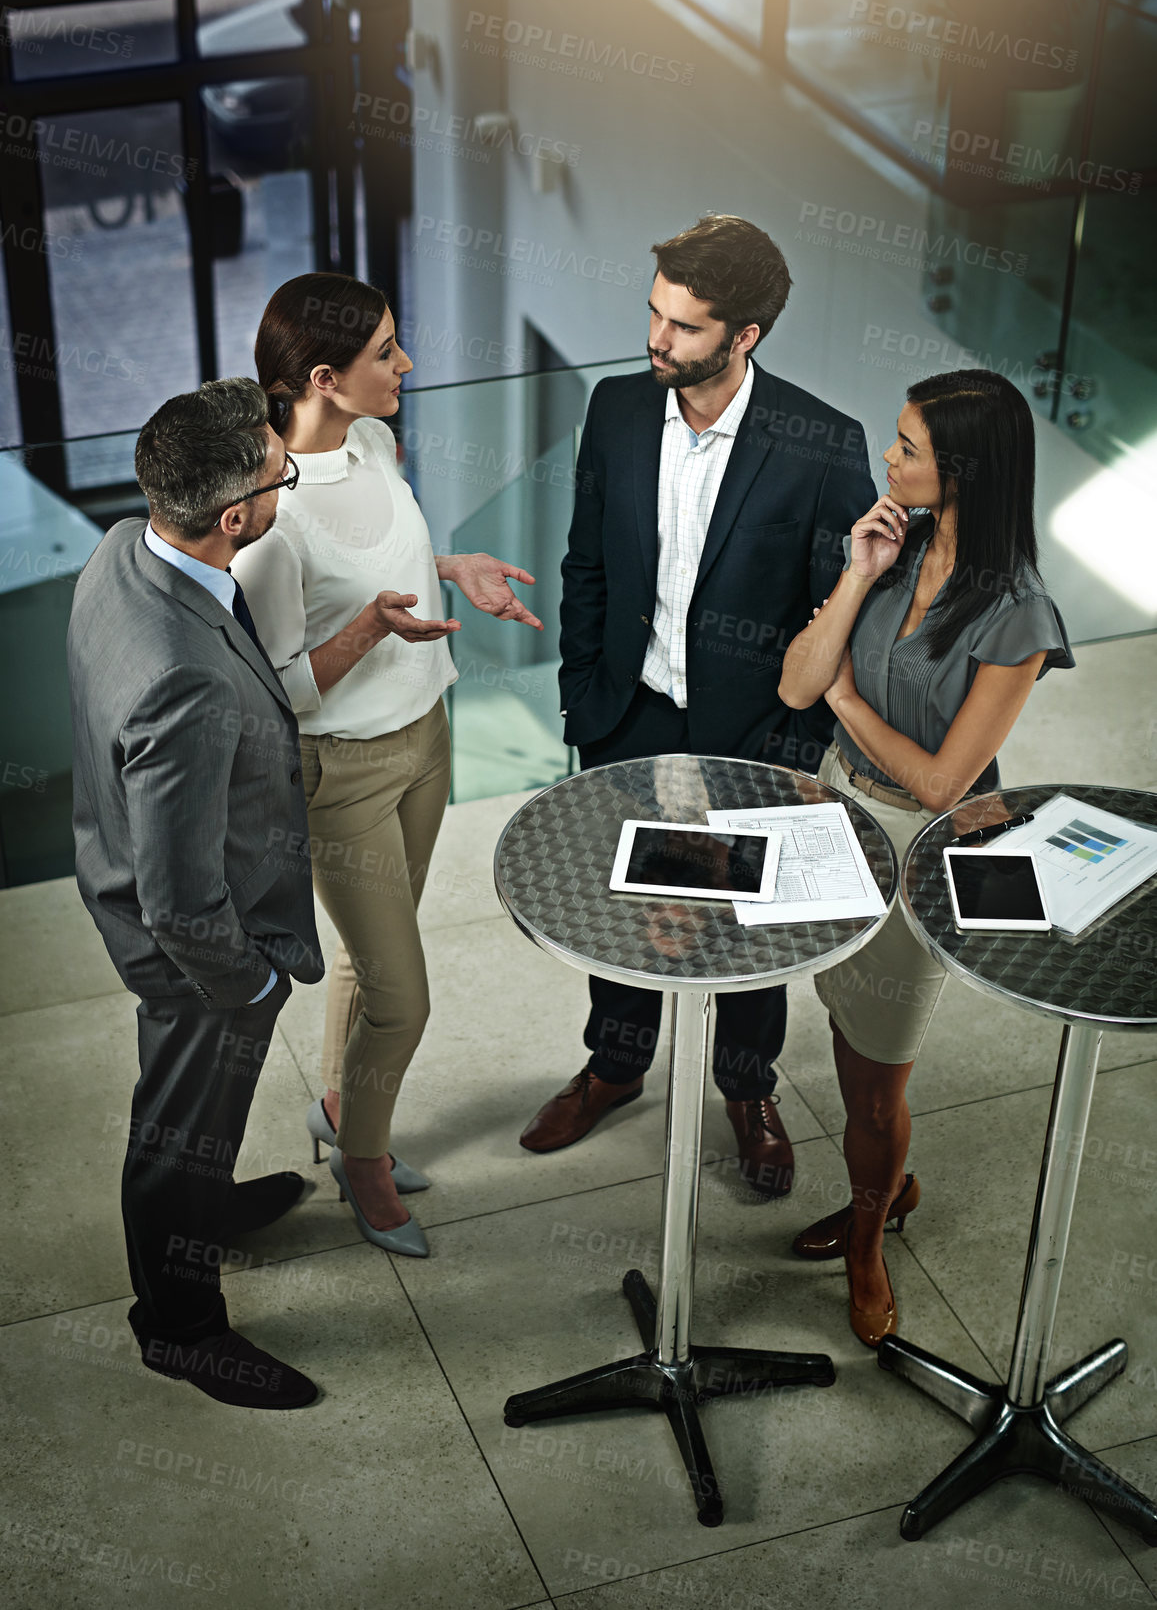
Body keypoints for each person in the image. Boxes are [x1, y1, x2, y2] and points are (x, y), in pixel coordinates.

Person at [519, 214, 876, 1194]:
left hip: (749, 739)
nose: (655, 339)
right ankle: (615, 1064)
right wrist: (581, 692)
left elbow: (835, 613)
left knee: (748, 927)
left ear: (743, 335)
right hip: (625, 717)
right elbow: (584, 561)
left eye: (682, 326)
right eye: (653, 314)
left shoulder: (821, 444)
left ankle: (746, 1085)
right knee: (624, 907)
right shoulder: (617, 408)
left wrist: (794, 752)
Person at [232, 272, 542, 1256]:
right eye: (386, 354)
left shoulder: (371, 441)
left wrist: (453, 568)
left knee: (376, 963)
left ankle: (339, 1105)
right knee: (403, 994)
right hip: (344, 774)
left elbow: (386, 553)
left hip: (426, 738)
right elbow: (276, 689)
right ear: (323, 377)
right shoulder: (267, 522)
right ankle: (363, 1158)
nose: (406, 366)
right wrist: (371, 626)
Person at [778, 368, 1074, 1346]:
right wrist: (858, 570)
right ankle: (884, 1185)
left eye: (905, 446)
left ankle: (868, 1237)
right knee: (841, 1025)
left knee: (879, 1074)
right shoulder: (889, 547)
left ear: (961, 470)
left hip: (921, 848)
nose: (886, 457)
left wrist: (851, 706)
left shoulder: (1016, 613)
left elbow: (946, 783)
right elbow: (794, 683)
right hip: (835, 818)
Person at [68, 378, 325, 1409]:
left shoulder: (123, 548)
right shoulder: (186, 678)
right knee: (180, 1126)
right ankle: (179, 1322)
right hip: (196, 957)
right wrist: (251, 984)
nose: (284, 483)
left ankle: (204, 1202)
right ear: (236, 518)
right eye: (280, 475)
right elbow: (180, 902)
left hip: (134, 883)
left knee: (192, 1126)